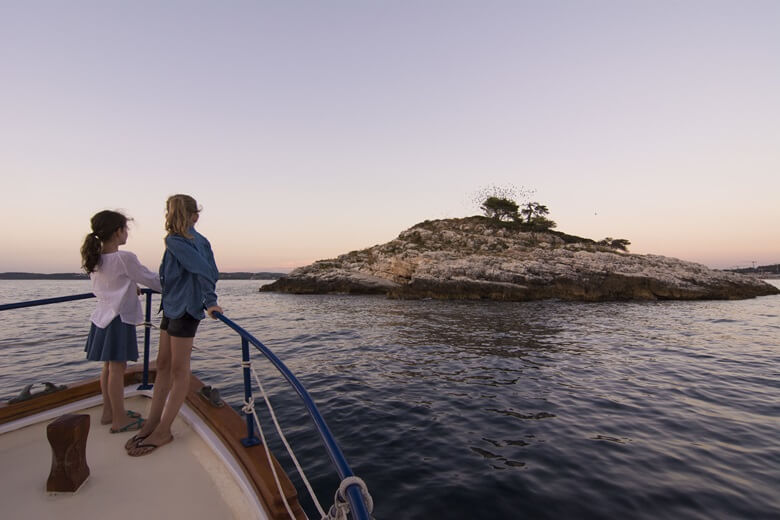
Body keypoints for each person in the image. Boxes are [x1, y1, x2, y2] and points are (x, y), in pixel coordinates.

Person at [126, 194, 222, 456]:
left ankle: (163, 430)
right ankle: (151, 423)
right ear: (195, 216)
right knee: (165, 366)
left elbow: (205, 271)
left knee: (179, 372)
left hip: (184, 310)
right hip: (172, 308)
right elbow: (210, 272)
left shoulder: (176, 240)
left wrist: (210, 300)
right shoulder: (201, 241)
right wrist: (210, 298)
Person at [82, 210, 162, 433]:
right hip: (118, 320)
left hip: (102, 318)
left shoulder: (95, 258)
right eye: (125, 229)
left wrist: (130, 286)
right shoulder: (124, 258)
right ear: (118, 232)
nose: (127, 233)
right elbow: (152, 280)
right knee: (118, 369)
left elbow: (112, 283)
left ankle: (109, 412)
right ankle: (119, 419)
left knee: (109, 368)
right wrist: (176, 287)